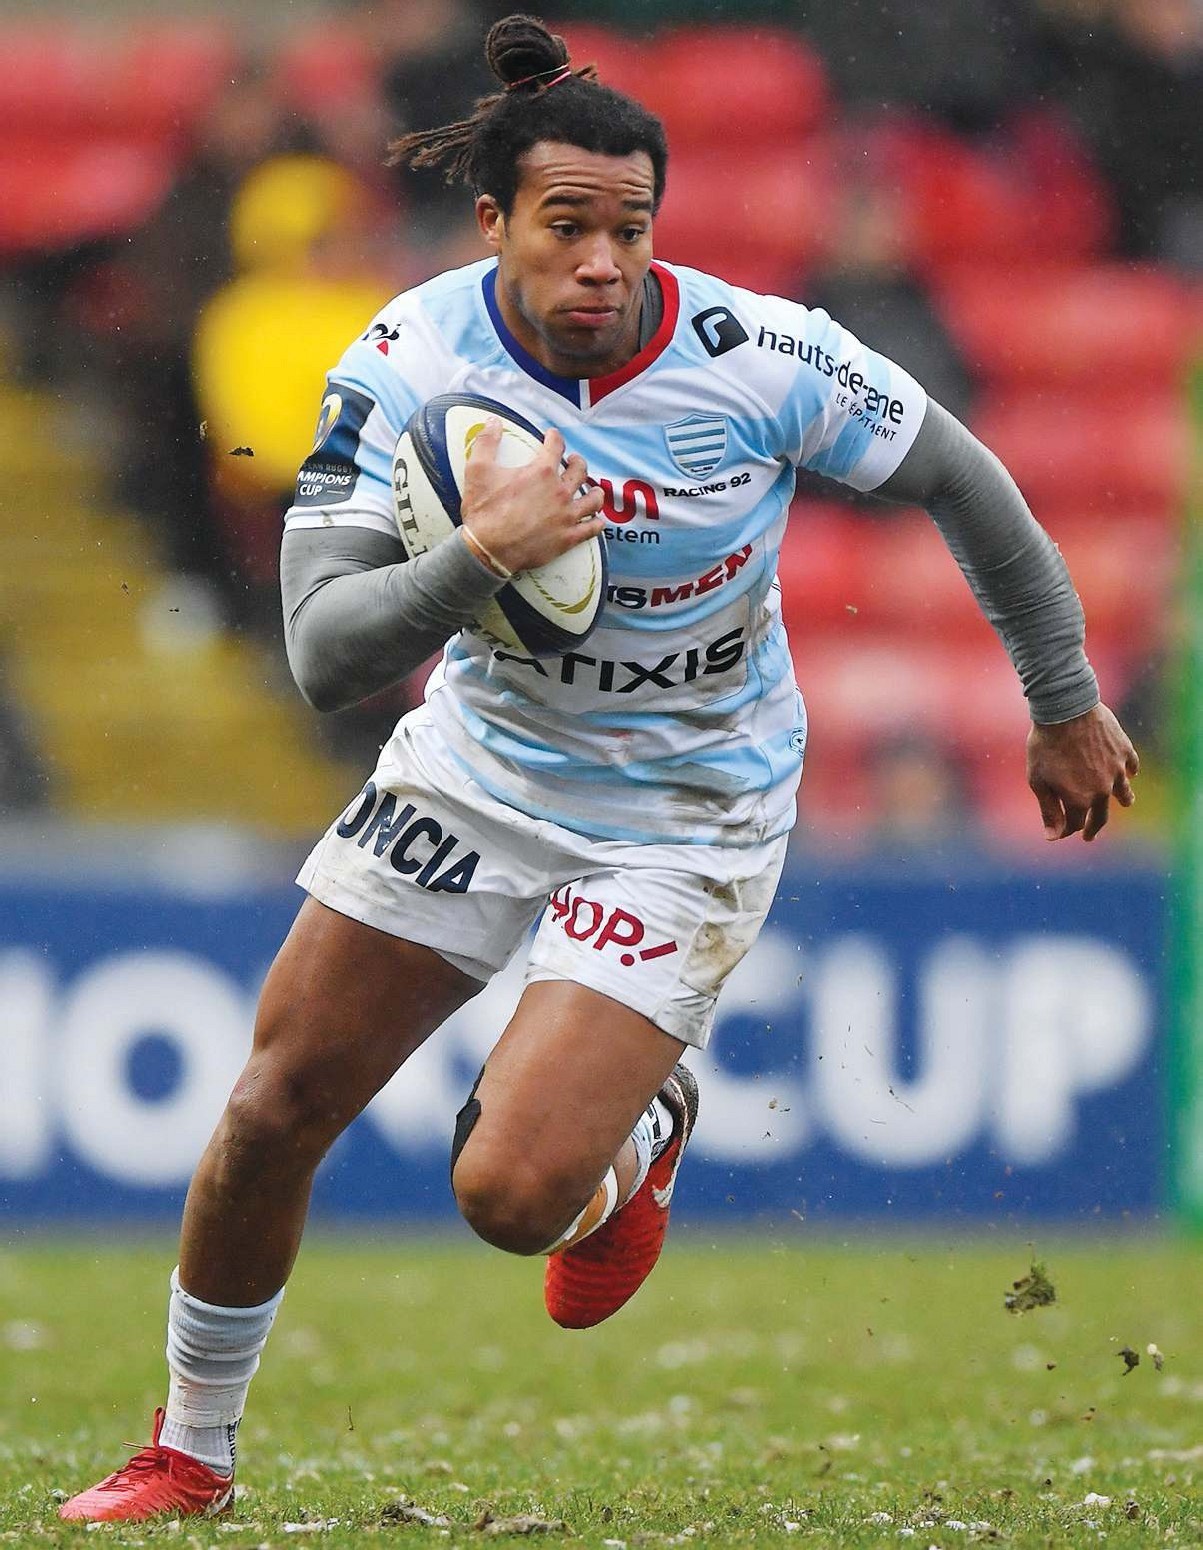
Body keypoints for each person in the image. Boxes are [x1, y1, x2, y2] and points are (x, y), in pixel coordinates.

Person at [59, 12, 1140, 1524]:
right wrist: (481, 556)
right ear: (490, 221)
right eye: (565, 226)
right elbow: (322, 651)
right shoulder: (408, 358)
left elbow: (966, 479)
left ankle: (645, 1129)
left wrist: (1063, 698)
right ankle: (191, 1449)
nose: (602, 263)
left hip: (689, 809)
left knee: (510, 1198)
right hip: (481, 769)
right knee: (273, 1102)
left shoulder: (759, 356)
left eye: (630, 229)